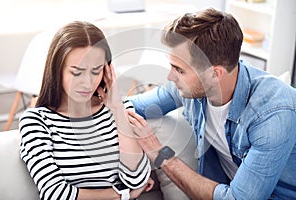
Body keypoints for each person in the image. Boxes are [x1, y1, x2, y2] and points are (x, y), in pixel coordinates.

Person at [128, 8, 296, 199]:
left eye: (179, 69)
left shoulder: (273, 115)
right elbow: (135, 105)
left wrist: (160, 154)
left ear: (215, 74)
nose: (170, 76)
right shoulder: (192, 85)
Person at [19, 21, 153, 200]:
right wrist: (121, 195)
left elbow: (136, 179)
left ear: (107, 71)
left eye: (95, 71)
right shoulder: (37, 121)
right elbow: (54, 193)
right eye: (77, 72)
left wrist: (118, 110)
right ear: (57, 70)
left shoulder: (120, 111)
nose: (88, 83)